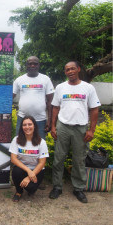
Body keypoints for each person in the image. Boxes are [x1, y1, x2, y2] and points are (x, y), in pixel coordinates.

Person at [49, 61, 100, 203]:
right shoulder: (60, 87)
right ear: (65, 72)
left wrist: (91, 130)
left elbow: (94, 109)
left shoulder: (88, 88)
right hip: (63, 127)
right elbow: (55, 108)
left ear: (78, 69)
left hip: (81, 128)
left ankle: (78, 188)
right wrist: (53, 126)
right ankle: (57, 187)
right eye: (67, 70)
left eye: (72, 68)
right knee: (58, 159)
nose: (70, 71)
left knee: (79, 160)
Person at [13, 56, 54, 139]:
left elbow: (50, 102)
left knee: (39, 146)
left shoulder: (46, 79)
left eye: (35, 64)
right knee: (20, 144)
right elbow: (9, 98)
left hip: (40, 120)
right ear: (26, 65)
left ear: (39, 65)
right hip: (22, 119)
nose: (32, 66)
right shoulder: (19, 80)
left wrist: (49, 121)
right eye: (30, 64)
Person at [9, 116, 49, 202]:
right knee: (16, 172)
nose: (27, 127)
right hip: (22, 169)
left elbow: (42, 163)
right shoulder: (16, 140)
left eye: (30, 124)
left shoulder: (42, 142)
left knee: (31, 189)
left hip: (37, 170)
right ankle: (18, 192)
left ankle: (28, 186)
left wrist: (29, 176)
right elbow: (13, 159)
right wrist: (28, 171)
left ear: (34, 126)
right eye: (24, 125)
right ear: (21, 127)